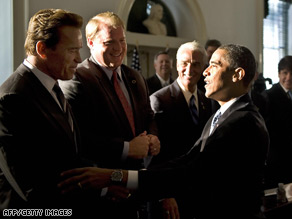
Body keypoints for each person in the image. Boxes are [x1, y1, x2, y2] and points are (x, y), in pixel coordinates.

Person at [58, 44, 269, 219]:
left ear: (237, 74)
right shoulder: (223, 114)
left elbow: (189, 173)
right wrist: (123, 178)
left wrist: (115, 176)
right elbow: (185, 160)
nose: (205, 71)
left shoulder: (243, 122)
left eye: (213, 65)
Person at [59, 11, 160, 219]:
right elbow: (78, 138)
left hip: (138, 188)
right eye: (109, 42)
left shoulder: (135, 76)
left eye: (122, 40)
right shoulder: (77, 78)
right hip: (103, 194)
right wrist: (127, 149)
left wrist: (152, 137)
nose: (118, 48)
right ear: (90, 42)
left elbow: (148, 116)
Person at [0, 8, 97, 216]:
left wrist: (106, 184)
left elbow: (70, 156)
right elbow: (29, 184)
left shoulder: (53, 87)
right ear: (42, 49)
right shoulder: (11, 98)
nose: (79, 59)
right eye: (72, 50)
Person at [148, 41, 218, 218]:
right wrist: (164, 194)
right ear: (176, 64)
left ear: (203, 67)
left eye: (195, 64)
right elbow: (154, 156)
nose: (189, 69)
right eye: (184, 63)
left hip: (199, 193)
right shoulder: (159, 100)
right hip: (171, 197)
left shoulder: (207, 102)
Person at [262, 55, 292, 189]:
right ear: (279, 74)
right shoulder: (268, 96)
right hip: (277, 159)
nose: (289, 78)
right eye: (285, 73)